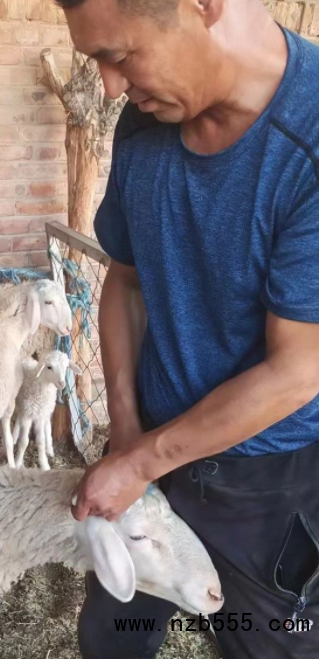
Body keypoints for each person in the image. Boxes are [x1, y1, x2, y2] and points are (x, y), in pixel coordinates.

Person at [58, 0, 319, 657]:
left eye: (120, 56)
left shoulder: (308, 143)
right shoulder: (146, 121)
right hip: (147, 440)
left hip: (266, 481)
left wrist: (142, 460)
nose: (110, 88)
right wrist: (126, 433)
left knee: (272, 642)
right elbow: (126, 279)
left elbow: (299, 369)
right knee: (112, 633)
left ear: (203, 6)